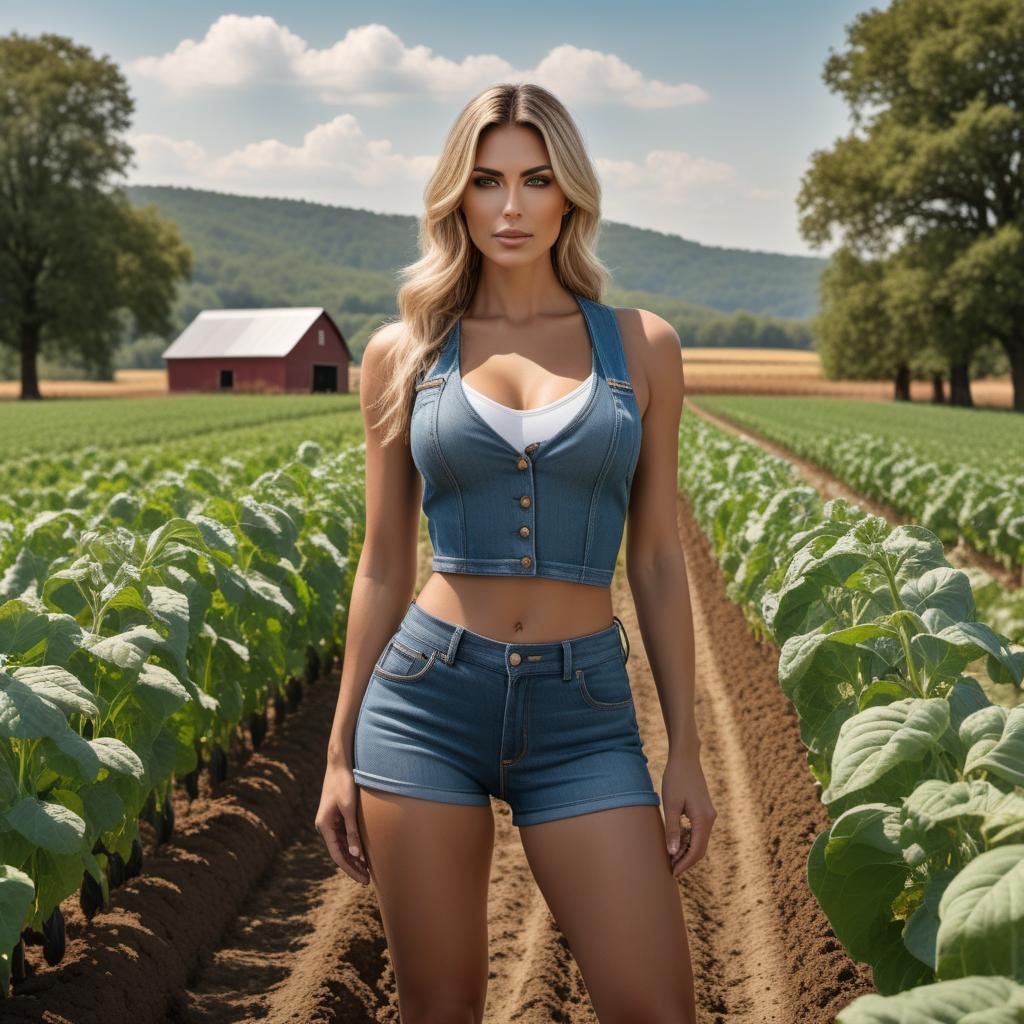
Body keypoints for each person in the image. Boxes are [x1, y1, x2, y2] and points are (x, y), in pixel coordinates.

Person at [315, 81, 714, 1023]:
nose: (509, 206)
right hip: (425, 704)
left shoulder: (642, 347)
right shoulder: (404, 352)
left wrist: (687, 750)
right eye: (486, 181)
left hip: (583, 712)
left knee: (656, 1009)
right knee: (440, 1009)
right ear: (455, 194)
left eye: (535, 180)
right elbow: (383, 562)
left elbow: (656, 558)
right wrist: (337, 751)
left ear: (569, 194)